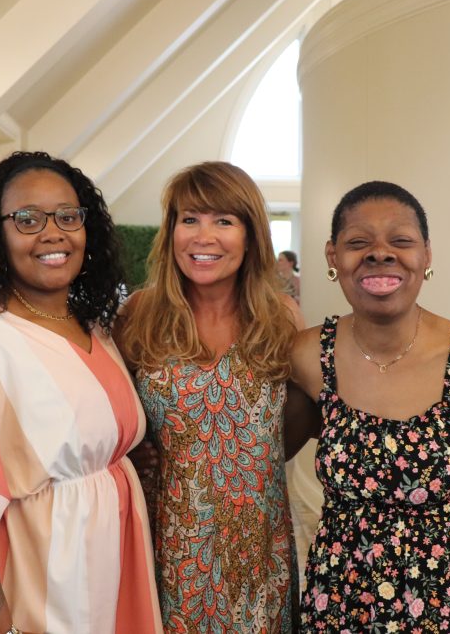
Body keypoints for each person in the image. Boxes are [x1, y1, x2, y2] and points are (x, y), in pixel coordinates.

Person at [0, 151, 162, 634]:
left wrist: (120, 456)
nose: (52, 233)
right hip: (37, 593)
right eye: (27, 219)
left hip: (106, 581)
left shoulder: (95, 328)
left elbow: (80, 440)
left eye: (68, 216)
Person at [285, 181, 450, 633]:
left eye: (400, 241)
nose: (380, 253)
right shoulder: (307, 357)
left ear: (426, 256)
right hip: (343, 604)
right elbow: (259, 449)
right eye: (358, 242)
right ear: (331, 257)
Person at [116, 161, 303, 633]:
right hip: (169, 546)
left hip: (259, 553)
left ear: (250, 235)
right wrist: (136, 454)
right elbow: (113, 414)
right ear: (171, 230)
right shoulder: (141, 313)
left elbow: (307, 416)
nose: (204, 237)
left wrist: (256, 459)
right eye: (190, 219)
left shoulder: (281, 317)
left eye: (224, 221)